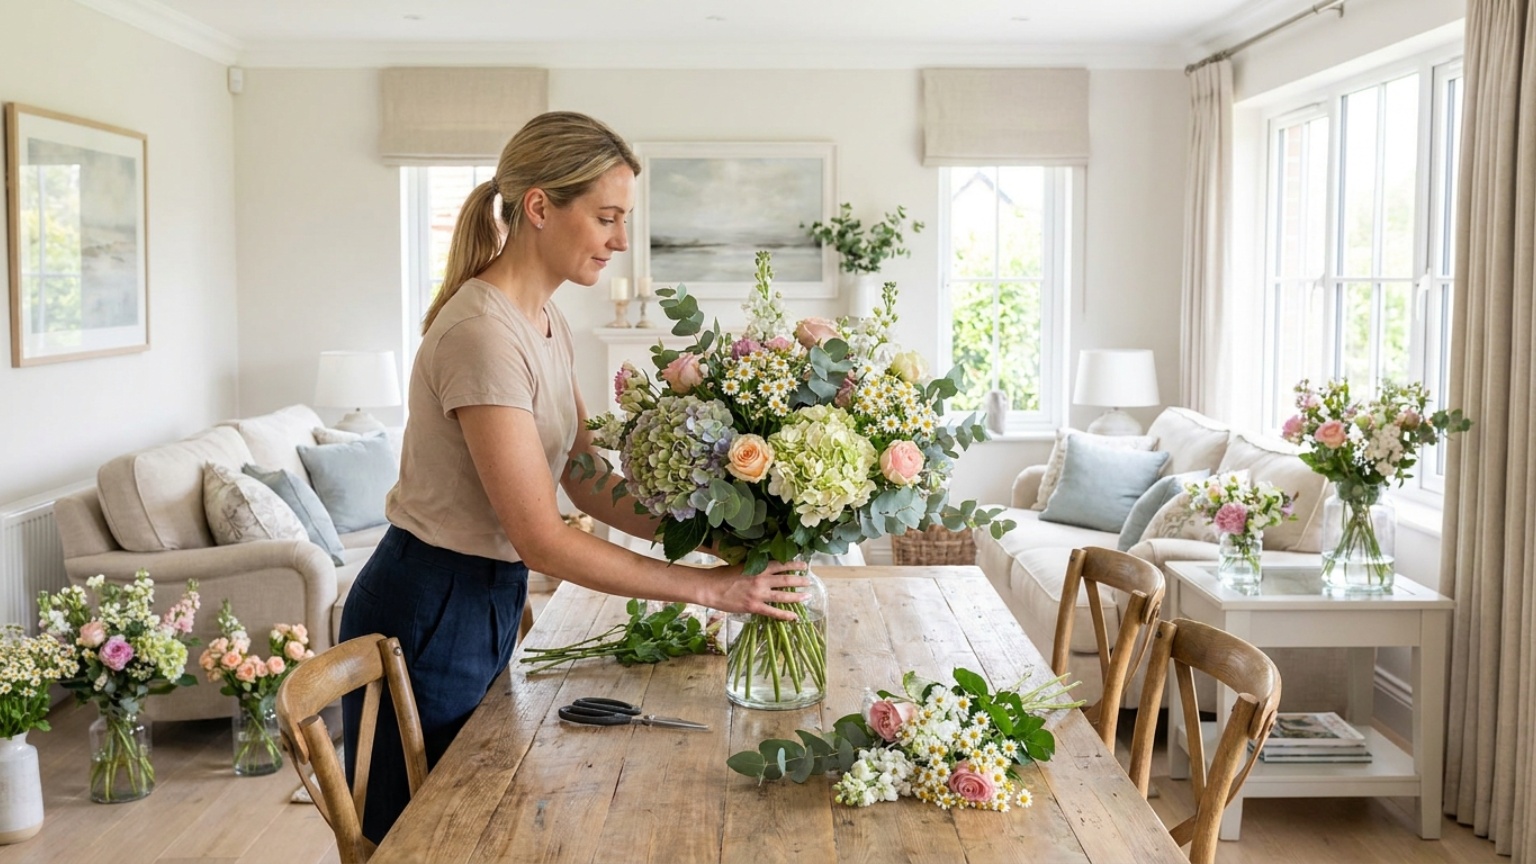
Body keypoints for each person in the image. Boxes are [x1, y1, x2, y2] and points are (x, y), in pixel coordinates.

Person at [338, 111, 809, 843]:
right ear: (538, 208)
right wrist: (712, 590)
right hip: (428, 606)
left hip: (482, 596)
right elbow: (543, 540)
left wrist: (711, 539)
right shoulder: (482, 335)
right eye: (606, 218)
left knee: (480, 816)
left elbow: (586, 476)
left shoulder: (544, 321)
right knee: (427, 837)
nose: (620, 240)